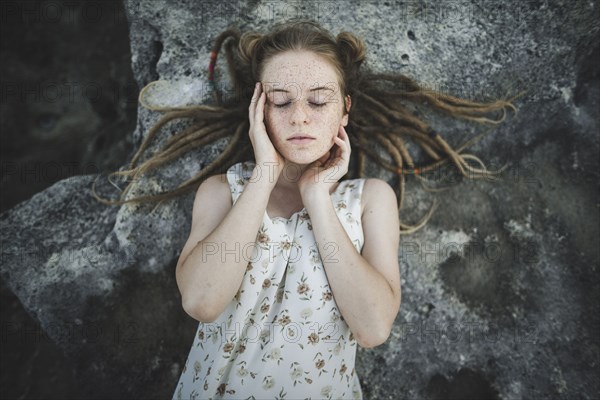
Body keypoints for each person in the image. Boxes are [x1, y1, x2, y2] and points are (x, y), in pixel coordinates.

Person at [92, 18, 522, 399]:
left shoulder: (369, 200)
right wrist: (263, 174)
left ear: (344, 109)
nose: (300, 117)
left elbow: (372, 328)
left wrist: (318, 199)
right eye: (281, 101)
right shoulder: (223, 192)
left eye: (318, 101)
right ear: (258, 111)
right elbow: (202, 301)